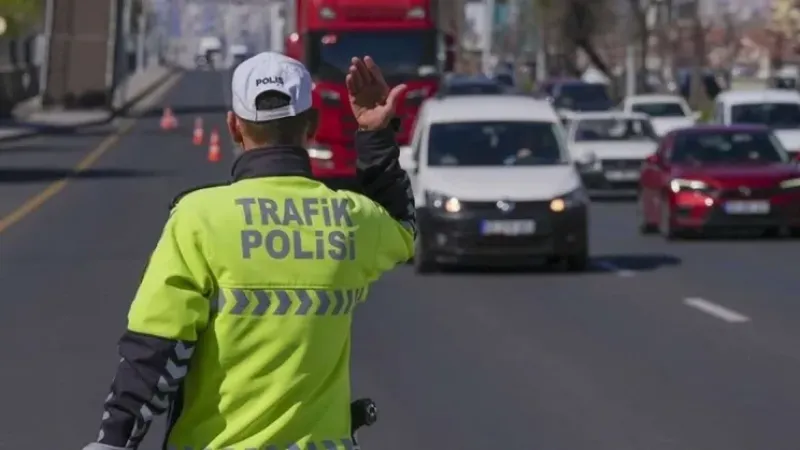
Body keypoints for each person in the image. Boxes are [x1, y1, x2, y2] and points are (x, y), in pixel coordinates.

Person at [82, 52, 415, 450]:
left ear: (234, 127)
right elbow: (404, 228)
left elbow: (155, 350)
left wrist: (114, 440)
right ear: (313, 125)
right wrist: (375, 135)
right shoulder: (350, 217)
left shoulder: (199, 218)